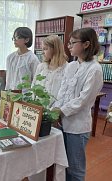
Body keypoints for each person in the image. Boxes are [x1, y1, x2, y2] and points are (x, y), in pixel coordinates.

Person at [53, 27, 103, 181]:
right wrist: (54, 110)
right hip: (62, 122)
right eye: (69, 43)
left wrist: (60, 111)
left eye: (73, 43)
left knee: (75, 168)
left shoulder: (95, 69)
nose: (69, 46)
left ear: (86, 44)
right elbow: (62, 91)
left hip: (77, 126)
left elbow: (83, 100)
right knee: (62, 163)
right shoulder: (71, 65)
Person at [32, 35, 68, 106]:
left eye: (45, 49)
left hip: (56, 111)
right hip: (38, 109)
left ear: (55, 49)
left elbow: (65, 95)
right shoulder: (41, 66)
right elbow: (33, 86)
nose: (42, 52)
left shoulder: (67, 68)